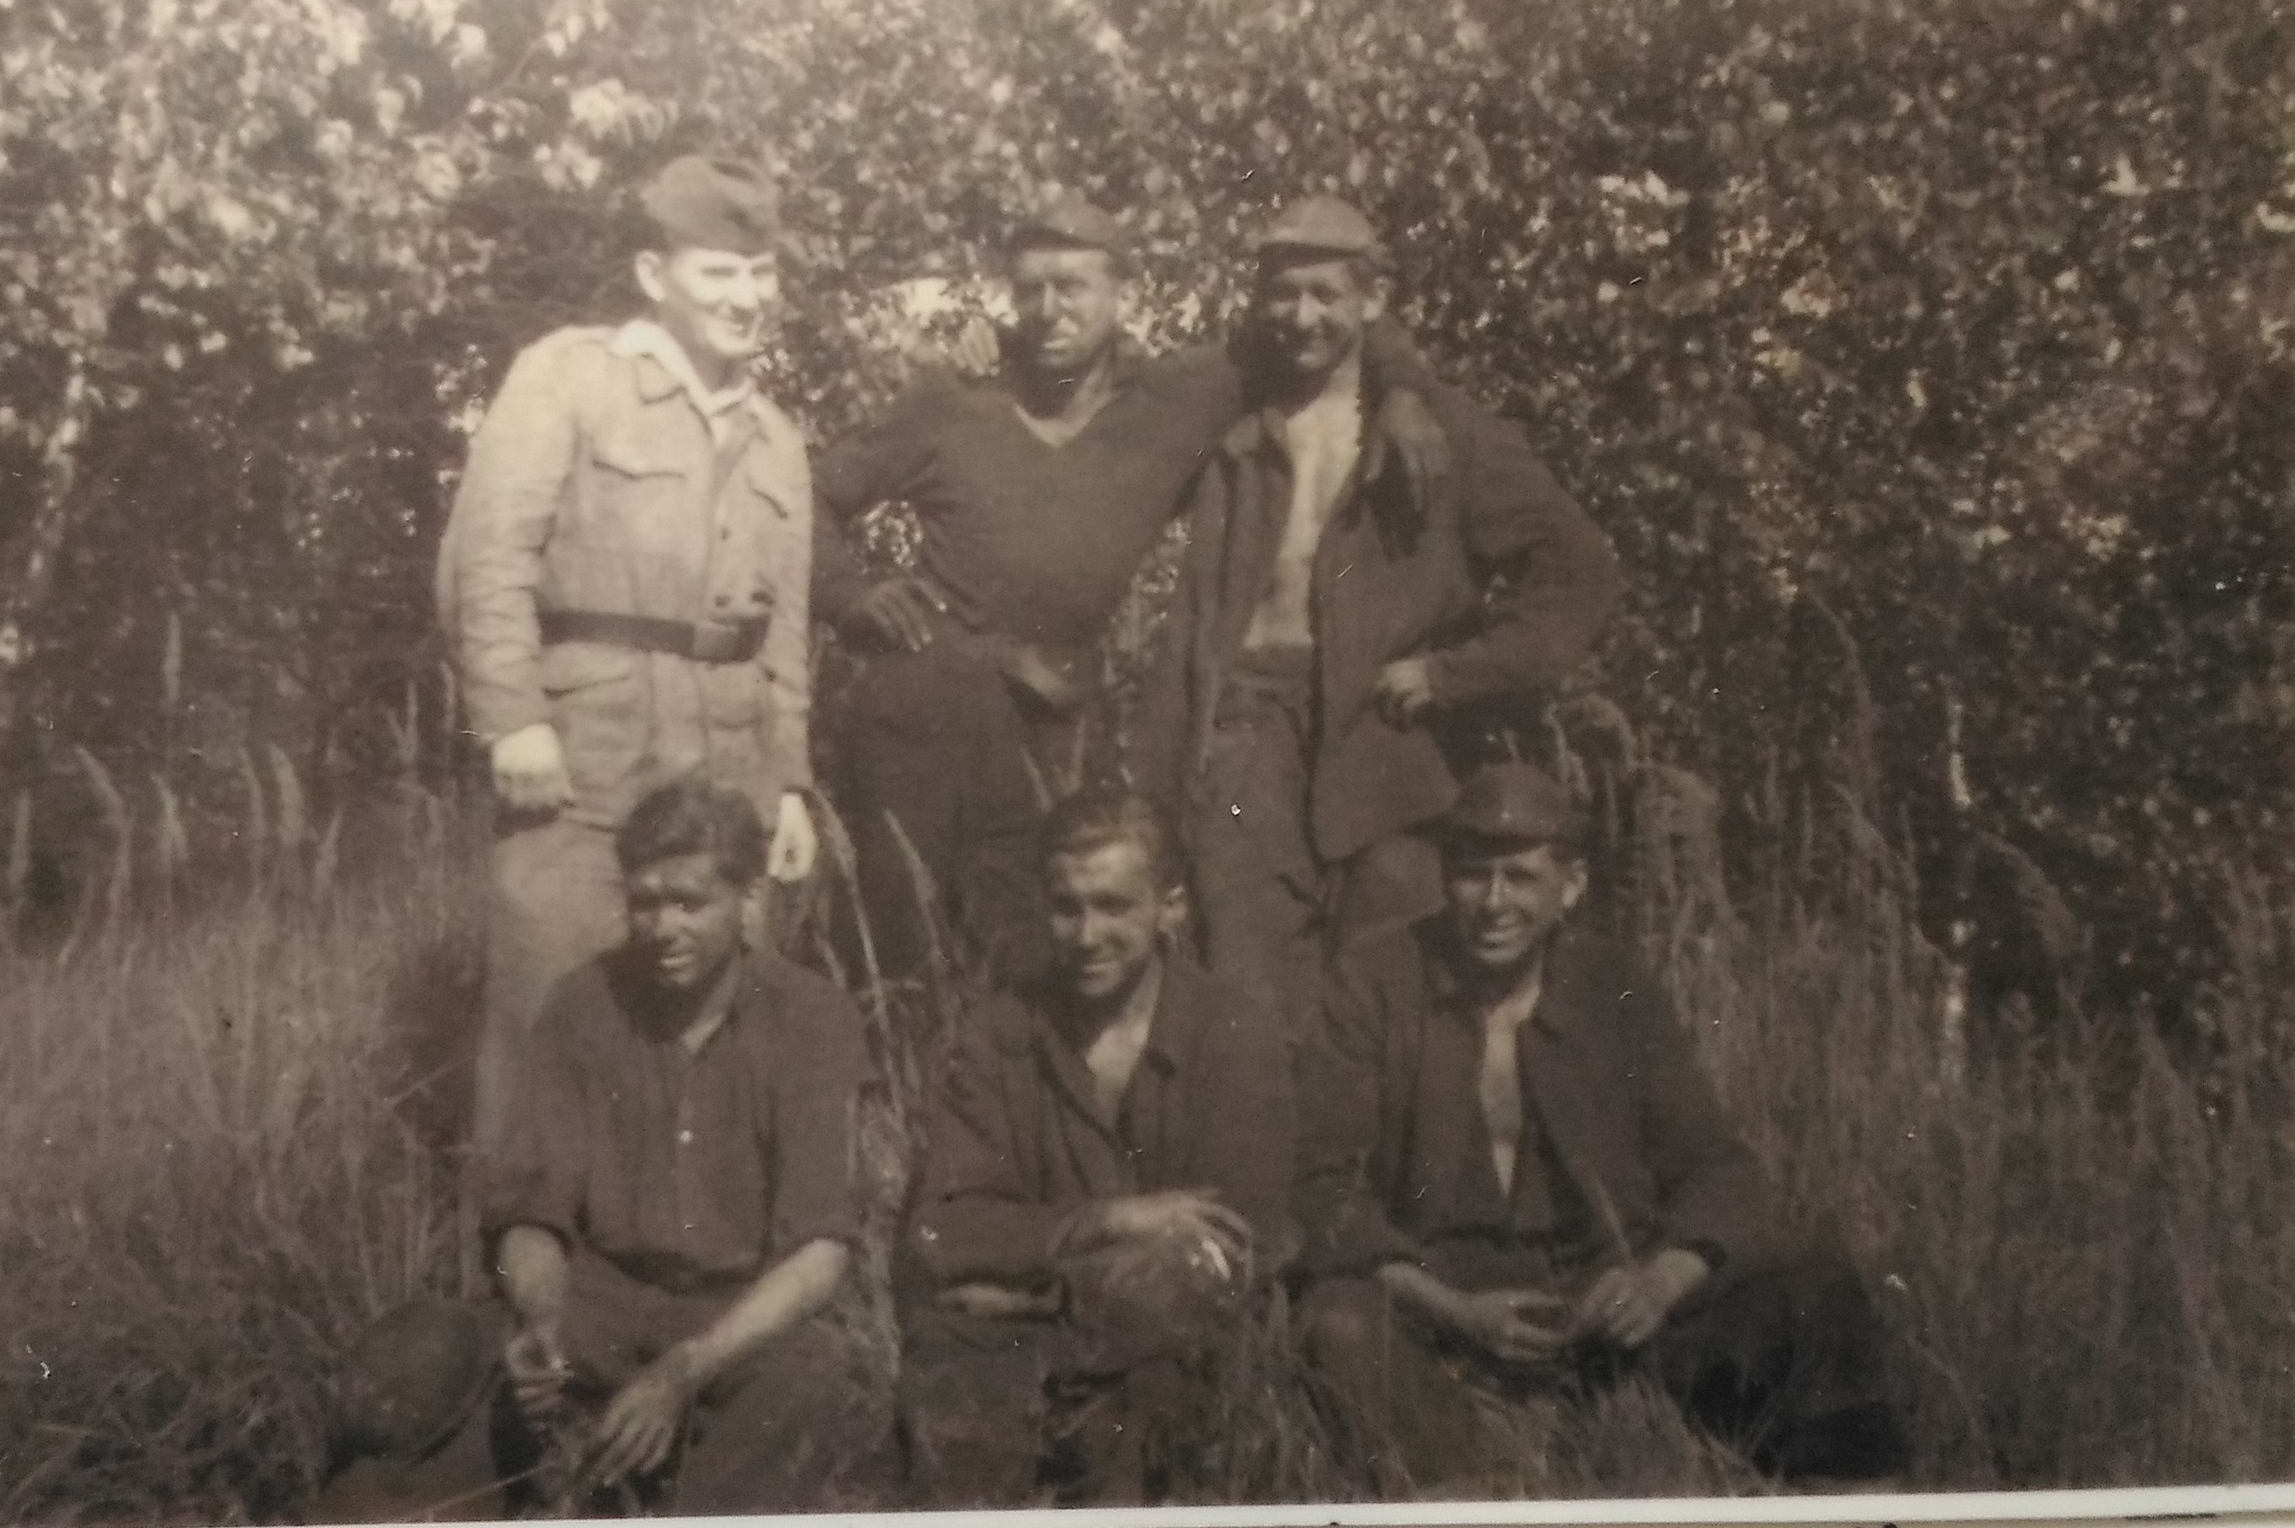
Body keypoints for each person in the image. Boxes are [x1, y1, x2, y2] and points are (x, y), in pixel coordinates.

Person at [813, 191, 1451, 986]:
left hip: (1048, 717)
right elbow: (813, 495)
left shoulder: (1179, 399)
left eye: (1072, 287)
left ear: (1124, 293)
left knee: (1033, 948)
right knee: (898, 949)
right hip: (922, 705)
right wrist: (850, 594)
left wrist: (1404, 391)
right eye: (1030, 289)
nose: (1049, 310)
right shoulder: (952, 399)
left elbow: (1324, 319)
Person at [1293, 763, 1907, 1495]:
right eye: (1472, 875)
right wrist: (1455, 1312)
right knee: (1338, 1323)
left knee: (1809, 1273)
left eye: (1521, 878)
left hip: (1605, 1310)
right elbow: (1326, 1188)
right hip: (1445, 1309)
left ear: (1571, 886)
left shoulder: (1614, 986)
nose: (1494, 903)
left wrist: (1658, 1283)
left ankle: (1845, 1493)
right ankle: (1477, 1478)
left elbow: (1716, 1166)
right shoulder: (1375, 983)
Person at [311, 773, 870, 1521]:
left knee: (814, 1374)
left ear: (748, 900)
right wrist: (540, 1321)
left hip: (729, 1320)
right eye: (644, 903)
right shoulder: (585, 1002)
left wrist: (683, 1371)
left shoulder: (810, 1018)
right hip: (595, 1307)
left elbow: (819, 1254)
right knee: (426, 1353)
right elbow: (530, 1209)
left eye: (689, 903)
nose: (662, 928)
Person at [1131, 195, 1623, 1038]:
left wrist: (1454, 675)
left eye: (1326, 294)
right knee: (1247, 995)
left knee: (1391, 997)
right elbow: (1110, 395)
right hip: (1248, 732)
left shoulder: (1445, 432)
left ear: (1373, 299)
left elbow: (1581, 572)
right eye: (1283, 293)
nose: (1302, 317)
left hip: (1391, 744)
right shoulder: (1227, 410)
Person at [436, 154, 818, 1151]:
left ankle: (684, 1243)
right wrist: (513, 719)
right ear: (655, 274)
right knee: (550, 1011)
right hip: (585, 756)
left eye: (762, 273)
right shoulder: (569, 376)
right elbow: (487, 558)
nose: (747, 297)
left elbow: (784, 632)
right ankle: (525, 1243)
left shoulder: (777, 437)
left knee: (712, 1036)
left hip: (730, 766)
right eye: (719, 272)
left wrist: (789, 782)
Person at [897, 787, 1295, 1505]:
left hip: (1165, 1343)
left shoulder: (1233, 1032)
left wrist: (1036, 1293)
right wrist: (1109, 1221)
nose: (1086, 935)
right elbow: (941, 1231)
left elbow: (1231, 1250)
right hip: (1023, 1346)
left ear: (1170, 908)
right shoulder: (997, 1033)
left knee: (1151, 1387)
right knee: (950, 1371)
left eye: (1113, 907)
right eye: (1066, 907)